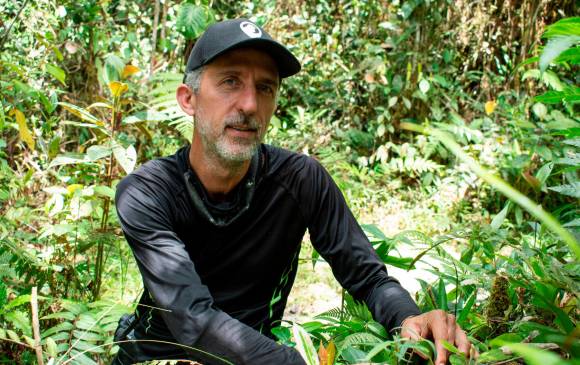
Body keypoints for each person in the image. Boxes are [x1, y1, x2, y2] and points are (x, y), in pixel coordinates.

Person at [111, 18, 473, 365]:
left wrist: (410, 318)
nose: (250, 105)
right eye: (230, 82)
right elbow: (192, 319)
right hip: (158, 358)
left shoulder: (300, 180)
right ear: (189, 99)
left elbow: (368, 278)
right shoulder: (147, 193)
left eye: (265, 88)